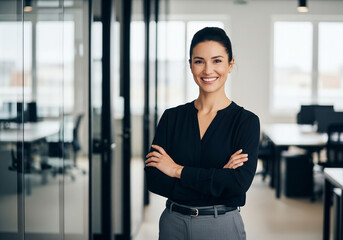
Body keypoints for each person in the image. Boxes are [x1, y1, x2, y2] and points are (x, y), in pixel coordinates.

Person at [144, 27, 260, 240]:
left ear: (230, 64)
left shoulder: (246, 122)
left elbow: (237, 185)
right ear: (190, 66)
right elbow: (154, 180)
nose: (208, 70)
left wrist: (176, 170)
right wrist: (217, 178)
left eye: (217, 61)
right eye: (199, 61)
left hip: (221, 226)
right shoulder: (171, 118)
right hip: (173, 224)